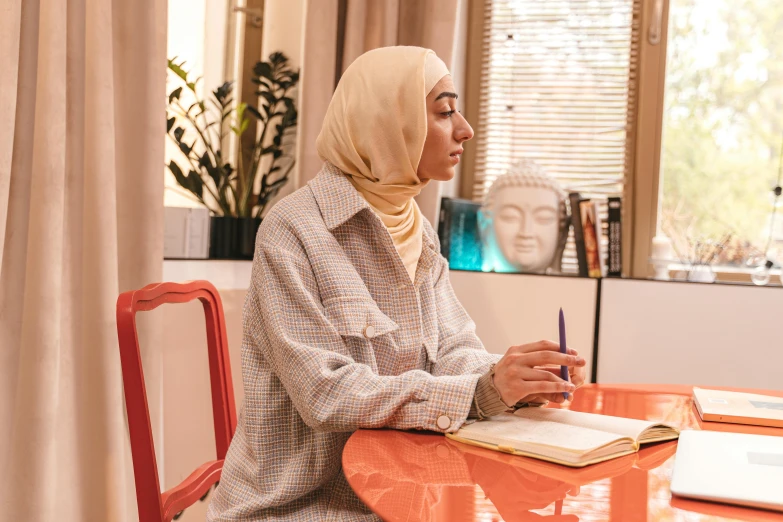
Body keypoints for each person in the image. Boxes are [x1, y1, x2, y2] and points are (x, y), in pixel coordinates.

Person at [207, 46, 586, 522]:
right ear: (390, 121)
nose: (465, 128)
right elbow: (327, 393)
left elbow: (451, 349)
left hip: (401, 494)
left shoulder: (415, 226)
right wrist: (481, 391)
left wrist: (514, 379)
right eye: (445, 111)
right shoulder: (293, 230)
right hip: (301, 508)